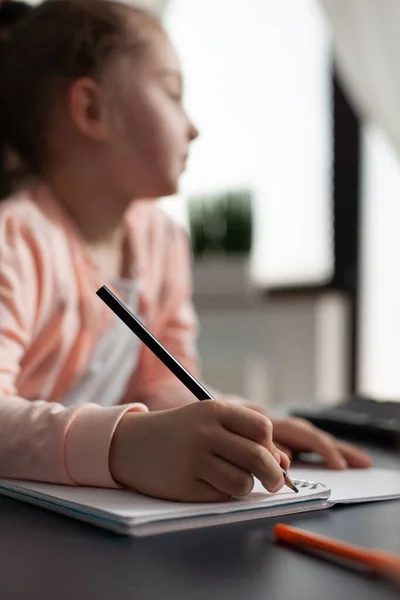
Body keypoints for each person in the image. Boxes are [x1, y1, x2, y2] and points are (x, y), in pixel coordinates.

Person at [0, 0, 371, 503]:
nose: (192, 127)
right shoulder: (15, 239)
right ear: (91, 109)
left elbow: (165, 384)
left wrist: (241, 420)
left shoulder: (162, 241)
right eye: (173, 93)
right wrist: (122, 446)